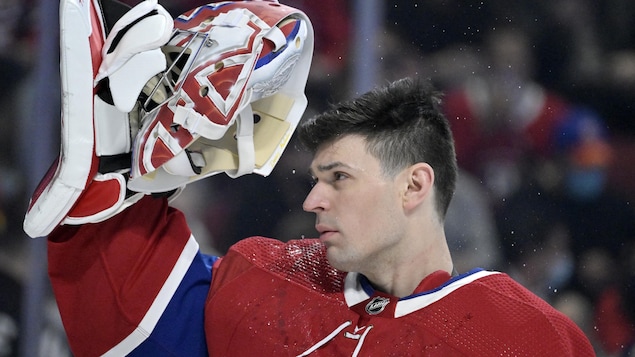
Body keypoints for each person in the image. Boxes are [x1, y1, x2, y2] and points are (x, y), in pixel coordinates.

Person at [25, 1, 594, 356]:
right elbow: (135, 333)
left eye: (339, 178)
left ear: (414, 186)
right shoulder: (268, 277)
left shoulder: (525, 338)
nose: (313, 197)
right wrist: (124, 183)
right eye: (317, 176)